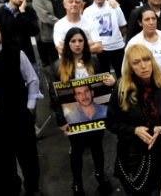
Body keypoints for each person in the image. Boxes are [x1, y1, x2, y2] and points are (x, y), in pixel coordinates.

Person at [49, 27, 115, 195]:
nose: (77, 44)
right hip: (72, 116)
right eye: (73, 41)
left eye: (80, 41)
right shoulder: (59, 65)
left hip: (95, 113)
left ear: (85, 43)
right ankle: (77, 182)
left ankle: (101, 175)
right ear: (67, 44)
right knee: (76, 150)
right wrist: (61, 121)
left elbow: (101, 87)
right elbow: (55, 96)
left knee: (97, 147)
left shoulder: (94, 61)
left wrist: (111, 82)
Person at [106, 44, 161, 195]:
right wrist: (134, 130)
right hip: (134, 155)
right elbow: (111, 123)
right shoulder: (121, 88)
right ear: (130, 67)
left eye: (146, 59)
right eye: (136, 62)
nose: (143, 66)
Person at [0, 18, 43, 196]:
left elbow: (33, 80)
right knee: (2, 159)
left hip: (20, 115)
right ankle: (12, 188)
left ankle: (32, 188)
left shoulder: (16, 54)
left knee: (29, 158)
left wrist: (30, 106)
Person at [126, 8, 161, 91]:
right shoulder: (133, 43)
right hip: (147, 89)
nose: (151, 22)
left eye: (153, 18)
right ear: (140, 23)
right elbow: (126, 69)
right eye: (147, 19)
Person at [83, 0, 127, 78]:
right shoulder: (87, 12)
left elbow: (123, 27)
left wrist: (115, 39)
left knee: (123, 76)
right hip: (101, 50)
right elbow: (87, 34)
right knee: (104, 79)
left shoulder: (114, 6)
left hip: (118, 47)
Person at [0, 0, 39, 68]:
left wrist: (22, 12)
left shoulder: (29, 12)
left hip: (27, 57)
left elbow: (33, 31)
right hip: (5, 58)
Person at [33, 0, 66, 66]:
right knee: (56, 66)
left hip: (66, 35)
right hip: (50, 37)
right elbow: (46, 17)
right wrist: (64, 24)